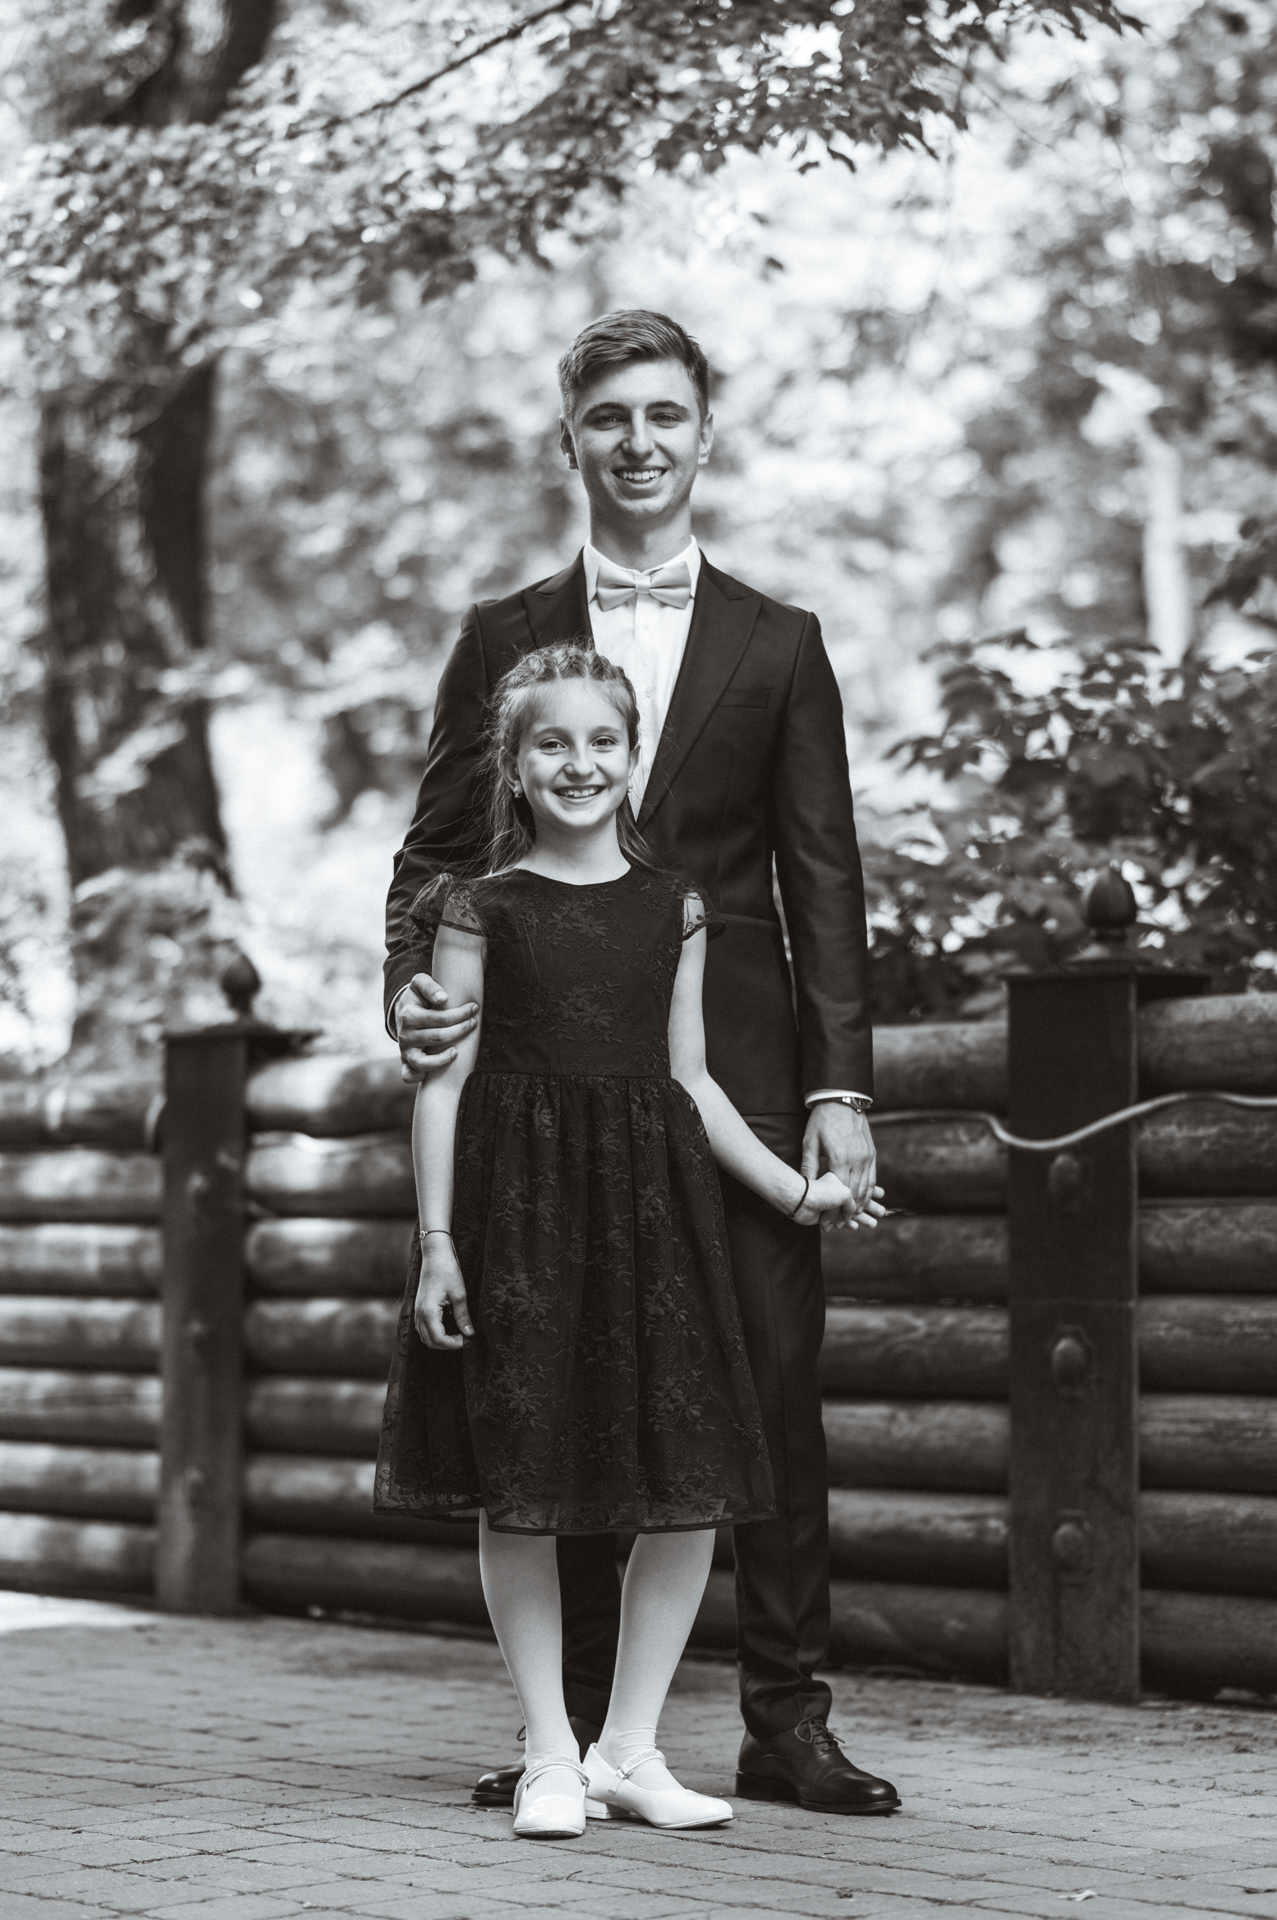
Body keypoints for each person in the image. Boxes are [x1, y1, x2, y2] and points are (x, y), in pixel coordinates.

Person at [383, 310, 902, 1817]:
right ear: (571, 441)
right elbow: (432, 853)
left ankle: (786, 1720)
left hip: (737, 1076)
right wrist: (415, 988)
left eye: (666, 413)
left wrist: (837, 1091)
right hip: (544, 1078)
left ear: (704, 434)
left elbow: (824, 880)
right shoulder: (498, 635)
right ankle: (578, 1734)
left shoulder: (781, 641)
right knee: (568, 1380)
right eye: (610, 416)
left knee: (768, 1389)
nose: (639, 441)